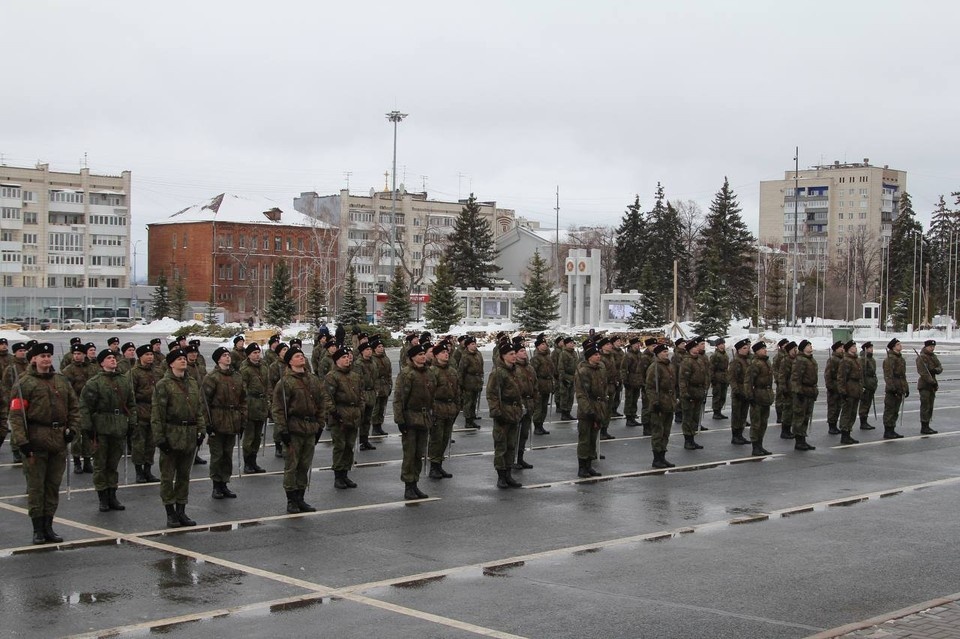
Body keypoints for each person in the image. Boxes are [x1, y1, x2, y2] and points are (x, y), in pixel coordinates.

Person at [9, 342, 79, 544]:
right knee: (36, 488)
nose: (46, 359)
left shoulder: (61, 381)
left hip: (57, 440)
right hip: (36, 439)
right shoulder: (25, 383)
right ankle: (37, 529)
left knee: (52, 487)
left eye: (49, 356)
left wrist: (72, 430)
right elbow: (16, 416)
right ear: (34, 359)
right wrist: (22, 442)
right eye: (42, 356)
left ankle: (49, 526)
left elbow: (74, 407)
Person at [152, 348, 206, 528]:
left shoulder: (191, 383)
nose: (183, 361)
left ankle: (181, 511)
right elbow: (157, 414)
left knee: (184, 475)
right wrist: (160, 438)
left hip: (189, 433)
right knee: (168, 476)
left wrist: (201, 430)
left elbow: (198, 409)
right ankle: (170, 513)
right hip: (171, 432)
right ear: (171, 363)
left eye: (184, 358)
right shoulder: (164, 385)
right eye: (179, 359)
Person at [272, 346, 330, 513]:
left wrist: (320, 424)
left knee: (305, 465)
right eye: (297, 356)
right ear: (290, 361)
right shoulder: (285, 382)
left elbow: (321, 403)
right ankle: (291, 500)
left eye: (302, 355)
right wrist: (283, 430)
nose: (301, 358)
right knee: (292, 466)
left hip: (310, 428)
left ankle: (301, 498)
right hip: (294, 428)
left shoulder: (313, 380)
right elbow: (278, 408)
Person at [80, 349, 136, 512]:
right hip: (101, 427)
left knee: (113, 464)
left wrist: (132, 423)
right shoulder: (94, 382)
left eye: (114, 357)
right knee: (100, 464)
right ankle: (102, 497)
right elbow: (85, 406)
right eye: (109, 358)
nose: (113, 360)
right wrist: (88, 427)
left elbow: (131, 403)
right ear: (102, 363)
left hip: (118, 426)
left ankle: (113, 495)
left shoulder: (124, 380)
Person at [202, 347, 247, 499]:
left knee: (227, 455)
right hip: (218, 419)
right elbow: (205, 403)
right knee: (217, 455)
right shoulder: (212, 377)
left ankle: (225, 483)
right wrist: (207, 423)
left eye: (228, 355)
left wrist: (242, 420)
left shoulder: (237, 376)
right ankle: (216, 485)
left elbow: (243, 399)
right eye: (224, 356)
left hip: (233, 419)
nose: (228, 358)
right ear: (218, 359)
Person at [393, 343, 435, 499]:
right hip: (410, 418)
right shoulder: (406, 374)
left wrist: (433, 414)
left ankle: (415, 483)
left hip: (424, 418)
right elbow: (399, 399)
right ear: (412, 357)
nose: (423, 357)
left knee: (419, 453)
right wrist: (400, 420)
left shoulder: (429, 373)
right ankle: (408, 486)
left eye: (424, 354)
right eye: (419, 355)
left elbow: (433, 396)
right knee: (410, 454)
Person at [486, 343, 525, 488]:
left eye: (515, 353)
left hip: (514, 412)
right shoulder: (498, 372)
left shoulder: (515, 371)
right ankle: (501, 476)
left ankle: (508, 474)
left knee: (511, 445)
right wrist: (497, 412)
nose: (514, 356)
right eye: (510, 354)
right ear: (503, 356)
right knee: (501, 445)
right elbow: (492, 394)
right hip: (503, 412)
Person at [325, 346, 362, 489]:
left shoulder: (354, 376)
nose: (347, 359)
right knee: (340, 446)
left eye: (347, 357)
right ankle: (338, 475)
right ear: (336, 360)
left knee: (349, 446)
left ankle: (345, 473)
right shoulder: (332, 376)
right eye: (343, 358)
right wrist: (335, 413)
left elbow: (361, 394)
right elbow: (328, 397)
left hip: (353, 413)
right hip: (340, 414)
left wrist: (360, 409)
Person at [128, 345, 161, 483]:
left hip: (154, 412)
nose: (150, 357)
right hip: (140, 411)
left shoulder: (157, 372)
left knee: (151, 444)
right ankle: (139, 471)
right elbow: (130, 396)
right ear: (140, 356)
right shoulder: (133, 373)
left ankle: (148, 470)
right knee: (139, 444)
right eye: (147, 354)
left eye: (151, 354)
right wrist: (133, 415)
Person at [63, 342, 98, 474]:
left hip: (90, 407)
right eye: (75, 354)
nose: (77, 356)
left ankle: (88, 461)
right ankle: (77, 461)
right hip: (76, 407)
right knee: (76, 436)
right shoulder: (68, 370)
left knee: (88, 434)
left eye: (79, 354)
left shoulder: (93, 369)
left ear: (84, 355)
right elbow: (66, 391)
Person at [575, 344, 608, 477]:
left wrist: (603, 405)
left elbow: (604, 387)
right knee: (584, 439)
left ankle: (589, 465)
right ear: (589, 357)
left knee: (593, 439)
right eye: (595, 355)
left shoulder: (600, 369)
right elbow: (581, 394)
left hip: (598, 407)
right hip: (587, 410)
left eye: (599, 354)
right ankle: (582, 467)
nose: (598, 356)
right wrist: (589, 411)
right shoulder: (583, 372)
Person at [428, 342, 460, 479]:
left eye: (447, 352)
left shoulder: (452, 371)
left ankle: (439, 464)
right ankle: (434, 466)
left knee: (445, 438)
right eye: (442, 352)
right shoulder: (431, 371)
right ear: (436, 355)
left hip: (450, 408)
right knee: (436, 439)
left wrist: (457, 406)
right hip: (437, 407)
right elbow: (428, 392)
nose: (446, 354)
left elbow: (457, 390)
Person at [239, 343, 269, 473]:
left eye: (258, 352)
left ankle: (254, 461)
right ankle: (247, 462)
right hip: (251, 404)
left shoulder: (263, 367)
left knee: (257, 437)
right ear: (249, 355)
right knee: (249, 436)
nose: (257, 355)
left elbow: (268, 385)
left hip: (261, 404)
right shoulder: (245, 369)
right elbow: (242, 389)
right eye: (254, 353)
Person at [646, 343, 676, 469]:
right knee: (658, 432)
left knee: (666, 431)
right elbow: (650, 387)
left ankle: (663, 456)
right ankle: (657, 458)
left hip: (669, 402)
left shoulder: (669, 365)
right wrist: (654, 402)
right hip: (659, 402)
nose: (666, 353)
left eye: (667, 351)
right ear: (658, 353)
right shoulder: (655, 367)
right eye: (663, 351)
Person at [0, 341, 30, 462]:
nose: (23, 353)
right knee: (17, 425)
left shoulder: (29, 365)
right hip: (15, 400)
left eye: (24, 351)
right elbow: (6, 387)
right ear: (15, 353)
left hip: (28, 399)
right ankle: (15, 449)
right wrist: (10, 400)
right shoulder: (11, 368)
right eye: (20, 351)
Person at [744, 342, 774, 456]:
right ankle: (755, 447)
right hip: (757, 395)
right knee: (756, 423)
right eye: (762, 349)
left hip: (766, 395)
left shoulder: (766, 362)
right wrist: (750, 396)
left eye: (765, 348)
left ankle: (760, 445)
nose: (765, 350)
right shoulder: (755, 364)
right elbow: (748, 381)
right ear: (756, 351)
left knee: (763, 423)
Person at [679, 336, 708, 450]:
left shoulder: (699, 360)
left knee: (695, 417)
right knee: (688, 417)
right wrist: (685, 394)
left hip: (698, 392)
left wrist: (705, 388)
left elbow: (704, 375)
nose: (697, 349)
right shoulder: (687, 361)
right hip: (690, 392)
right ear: (690, 349)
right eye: (695, 347)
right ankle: (688, 440)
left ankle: (692, 438)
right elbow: (683, 380)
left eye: (697, 347)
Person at [790, 340, 818, 451]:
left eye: (810, 345)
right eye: (808, 345)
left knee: (806, 416)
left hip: (810, 390)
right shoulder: (800, 360)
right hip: (802, 391)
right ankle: (798, 441)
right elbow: (796, 377)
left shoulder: (811, 359)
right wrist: (798, 391)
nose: (810, 347)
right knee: (799, 417)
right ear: (802, 348)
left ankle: (803, 439)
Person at [513, 343, 536, 470]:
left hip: (529, 403)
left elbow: (535, 386)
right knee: (515, 434)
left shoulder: (530, 368)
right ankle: (512, 459)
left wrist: (535, 401)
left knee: (524, 434)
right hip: (518, 404)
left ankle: (520, 458)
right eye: (521, 351)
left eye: (524, 350)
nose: (524, 352)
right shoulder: (514, 368)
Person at [836, 340, 862, 445]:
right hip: (849, 389)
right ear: (848, 349)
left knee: (852, 413)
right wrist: (843, 391)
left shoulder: (856, 360)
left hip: (856, 389)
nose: (855, 348)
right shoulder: (846, 360)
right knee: (847, 413)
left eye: (855, 346)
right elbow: (841, 377)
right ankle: (844, 434)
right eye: (853, 346)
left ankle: (848, 432)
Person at [354, 342, 378, 451]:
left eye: (370, 349)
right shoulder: (358, 364)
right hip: (363, 392)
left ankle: (365, 440)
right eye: (367, 349)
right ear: (362, 351)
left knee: (368, 419)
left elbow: (376, 377)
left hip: (371, 392)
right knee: (361, 418)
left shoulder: (373, 362)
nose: (369, 351)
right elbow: (358, 380)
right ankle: (358, 441)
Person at [531, 336, 556, 434]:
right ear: (538, 347)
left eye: (545, 344)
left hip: (547, 384)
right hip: (540, 384)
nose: (545, 346)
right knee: (539, 407)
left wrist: (552, 385)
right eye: (542, 344)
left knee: (544, 406)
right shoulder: (536, 358)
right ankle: (537, 426)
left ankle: (541, 425)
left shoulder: (548, 357)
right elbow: (533, 374)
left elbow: (551, 371)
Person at [882, 338, 907, 439]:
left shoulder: (900, 359)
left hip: (900, 386)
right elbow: (888, 376)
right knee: (890, 410)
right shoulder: (889, 359)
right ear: (893, 347)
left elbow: (903, 375)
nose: (900, 346)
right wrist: (892, 388)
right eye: (898, 344)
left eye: (900, 344)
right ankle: (887, 431)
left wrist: (905, 387)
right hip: (893, 388)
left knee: (895, 410)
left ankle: (892, 429)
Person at [728, 338, 751, 445]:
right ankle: (735, 436)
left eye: (747, 347)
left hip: (746, 391)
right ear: (738, 350)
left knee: (743, 414)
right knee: (737, 414)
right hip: (739, 391)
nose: (747, 349)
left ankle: (740, 434)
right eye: (744, 348)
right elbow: (732, 378)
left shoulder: (747, 360)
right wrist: (736, 391)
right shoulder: (736, 362)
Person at [916, 339, 942, 435]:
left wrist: (935, 370)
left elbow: (940, 367)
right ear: (926, 346)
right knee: (925, 406)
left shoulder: (933, 356)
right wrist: (932, 382)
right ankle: (924, 426)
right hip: (925, 385)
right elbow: (923, 373)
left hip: (932, 384)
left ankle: (927, 424)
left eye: (933, 347)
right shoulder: (922, 357)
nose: (932, 348)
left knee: (930, 406)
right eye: (930, 347)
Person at [458, 337, 484, 428]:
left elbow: (481, 366)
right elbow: (461, 370)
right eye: (472, 344)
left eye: (475, 343)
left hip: (477, 379)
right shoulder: (465, 356)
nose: (474, 345)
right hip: (469, 380)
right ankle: (468, 420)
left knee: (474, 400)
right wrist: (461, 384)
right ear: (468, 345)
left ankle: (473, 416)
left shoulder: (478, 354)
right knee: (468, 401)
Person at [371, 337, 392, 437]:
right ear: (374, 349)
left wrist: (390, 384)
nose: (381, 348)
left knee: (382, 407)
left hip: (385, 385)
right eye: (379, 347)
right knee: (376, 407)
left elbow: (389, 372)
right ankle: (375, 427)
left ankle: (379, 426)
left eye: (382, 346)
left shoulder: (385, 358)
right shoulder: (372, 359)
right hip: (377, 385)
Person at [620, 337, 642, 428]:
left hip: (638, 380)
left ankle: (633, 416)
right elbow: (623, 369)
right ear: (632, 345)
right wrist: (625, 380)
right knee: (629, 400)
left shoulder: (640, 354)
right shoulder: (628, 355)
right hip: (630, 380)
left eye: (639, 344)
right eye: (636, 344)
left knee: (635, 400)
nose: (638, 345)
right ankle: (629, 418)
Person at [778, 342, 798, 439]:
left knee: (793, 411)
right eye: (794, 348)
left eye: (796, 348)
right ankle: (785, 431)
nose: (796, 350)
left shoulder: (796, 360)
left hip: (795, 389)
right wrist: (784, 389)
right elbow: (782, 376)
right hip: (788, 389)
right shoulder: (786, 361)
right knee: (787, 411)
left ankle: (789, 429)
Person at [824, 341, 844, 435]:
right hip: (834, 387)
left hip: (839, 387)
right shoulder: (833, 360)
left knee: (838, 407)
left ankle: (835, 424)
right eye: (840, 347)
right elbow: (828, 374)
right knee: (833, 407)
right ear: (836, 349)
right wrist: (830, 386)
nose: (842, 349)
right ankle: (831, 426)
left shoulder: (841, 359)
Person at [556, 338, 579, 421]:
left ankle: (568, 412)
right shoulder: (563, 354)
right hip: (566, 378)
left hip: (574, 377)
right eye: (570, 343)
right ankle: (564, 413)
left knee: (571, 397)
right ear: (565, 344)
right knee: (564, 396)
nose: (572, 344)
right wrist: (563, 378)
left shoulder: (574, 353)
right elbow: (561, 368)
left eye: (573, 343)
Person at [858, 342, 878, 431]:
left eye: (872, 347)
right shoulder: (863, 359)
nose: (871, 349)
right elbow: (861, 373)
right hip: (866, 384)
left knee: (868, 403)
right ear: (865, 349)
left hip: (871, 384)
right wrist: (862, 385)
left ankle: (865, 421)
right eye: (870, 348)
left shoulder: (871, 359)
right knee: (864, 404)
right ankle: (863, 422)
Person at [710, 339, 729, 420]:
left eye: (723, 344)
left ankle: (719, 411)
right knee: (717, 395)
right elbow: (711, 368)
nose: (722, 345)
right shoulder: (715, 355)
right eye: (720, 344)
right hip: (717, 377)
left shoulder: (725, 354)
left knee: (723, 396)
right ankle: (716, 412)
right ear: (717, 346)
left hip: (724, 377)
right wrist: (713, 379)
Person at [771, 338, 788, 424]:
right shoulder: (778, 357)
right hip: (781, 381)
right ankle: (779, 416)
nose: (787, 346)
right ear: (781, 346)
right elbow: (774, 369)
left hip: (788, 381)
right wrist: (779, 379)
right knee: (780, 399)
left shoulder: (788, 355)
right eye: (785, 344)